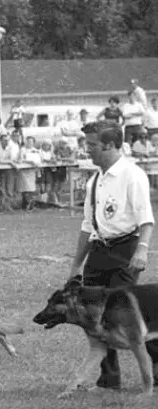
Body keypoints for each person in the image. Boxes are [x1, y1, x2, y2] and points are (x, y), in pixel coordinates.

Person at [68, 120, 157, 390]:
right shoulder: (94, 181)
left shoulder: (133, 175)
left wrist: (141, 250)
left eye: (92, 145)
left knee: (128, 316)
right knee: (95, 316)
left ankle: (155, 370)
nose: (88, 151)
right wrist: (76, 266)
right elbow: (87, 225)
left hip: (126, 251)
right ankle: (110, 377)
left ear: (109, 145)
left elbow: (146, 220)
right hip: (99, 250)